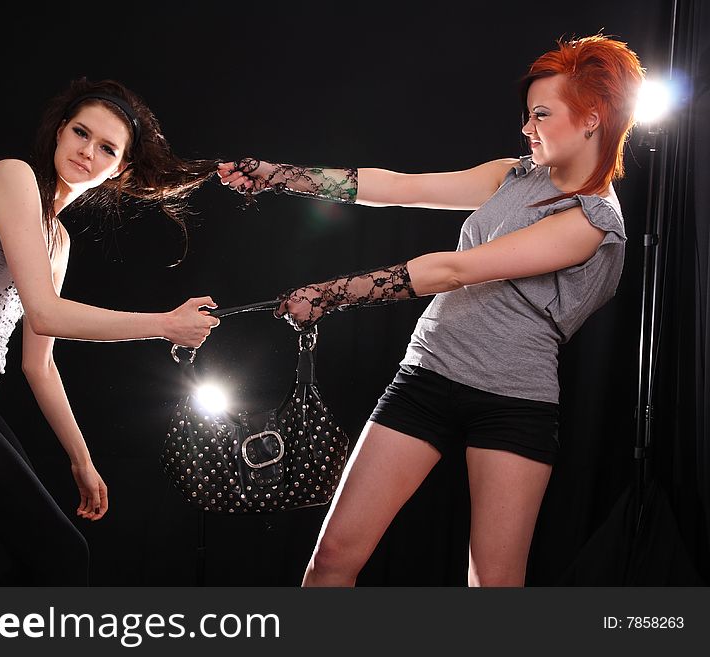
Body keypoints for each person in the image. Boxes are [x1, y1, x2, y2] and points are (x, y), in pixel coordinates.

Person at [217, 35, 644, 587]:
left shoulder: (592, 222)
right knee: (331, 560)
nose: (526, 128)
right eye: (527, 114)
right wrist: (278, 175)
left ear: (593, 118)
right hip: (426, 378)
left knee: (492, 586)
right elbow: (400, 188)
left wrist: (332, 293)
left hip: (513, 402)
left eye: (541, 114)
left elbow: (456, 270)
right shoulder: (512, 176)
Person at [0, 77, 221, 585]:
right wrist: (164, 325)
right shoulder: (12, 178)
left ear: (118, 169)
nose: (87, 152)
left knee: (37, 557)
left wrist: (81, 460)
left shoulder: (59, 241)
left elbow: (39, 362)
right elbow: (46, 313)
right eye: (81, 133)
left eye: (106, 148)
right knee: (62, 556)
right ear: (59, 132)